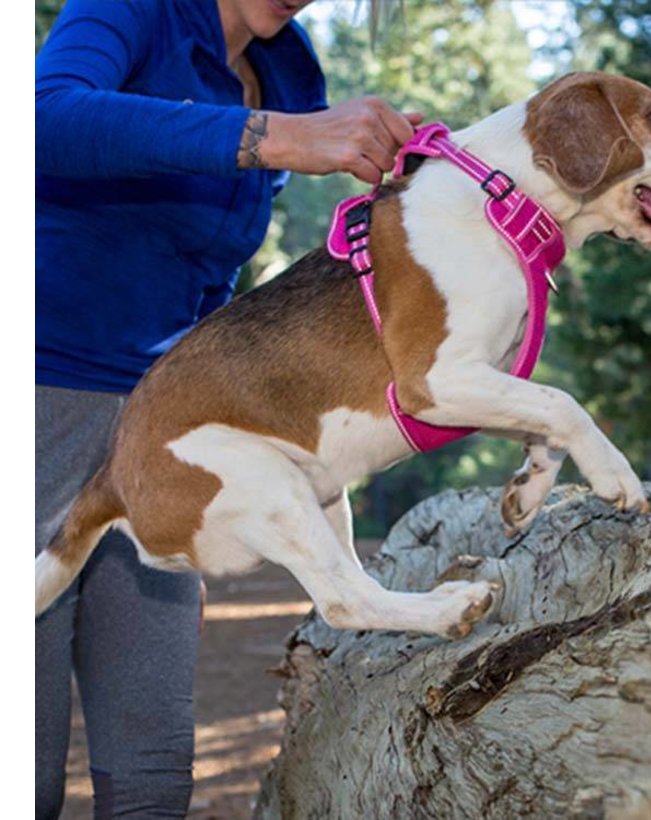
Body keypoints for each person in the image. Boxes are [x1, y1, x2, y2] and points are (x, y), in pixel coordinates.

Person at [35, 1, 421, 816]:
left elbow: (213, 276)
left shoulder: (289, 67)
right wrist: (274, 136)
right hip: (37, 397)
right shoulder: (133, 11)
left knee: (152, 760)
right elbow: (45, 114)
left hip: (166, 423)